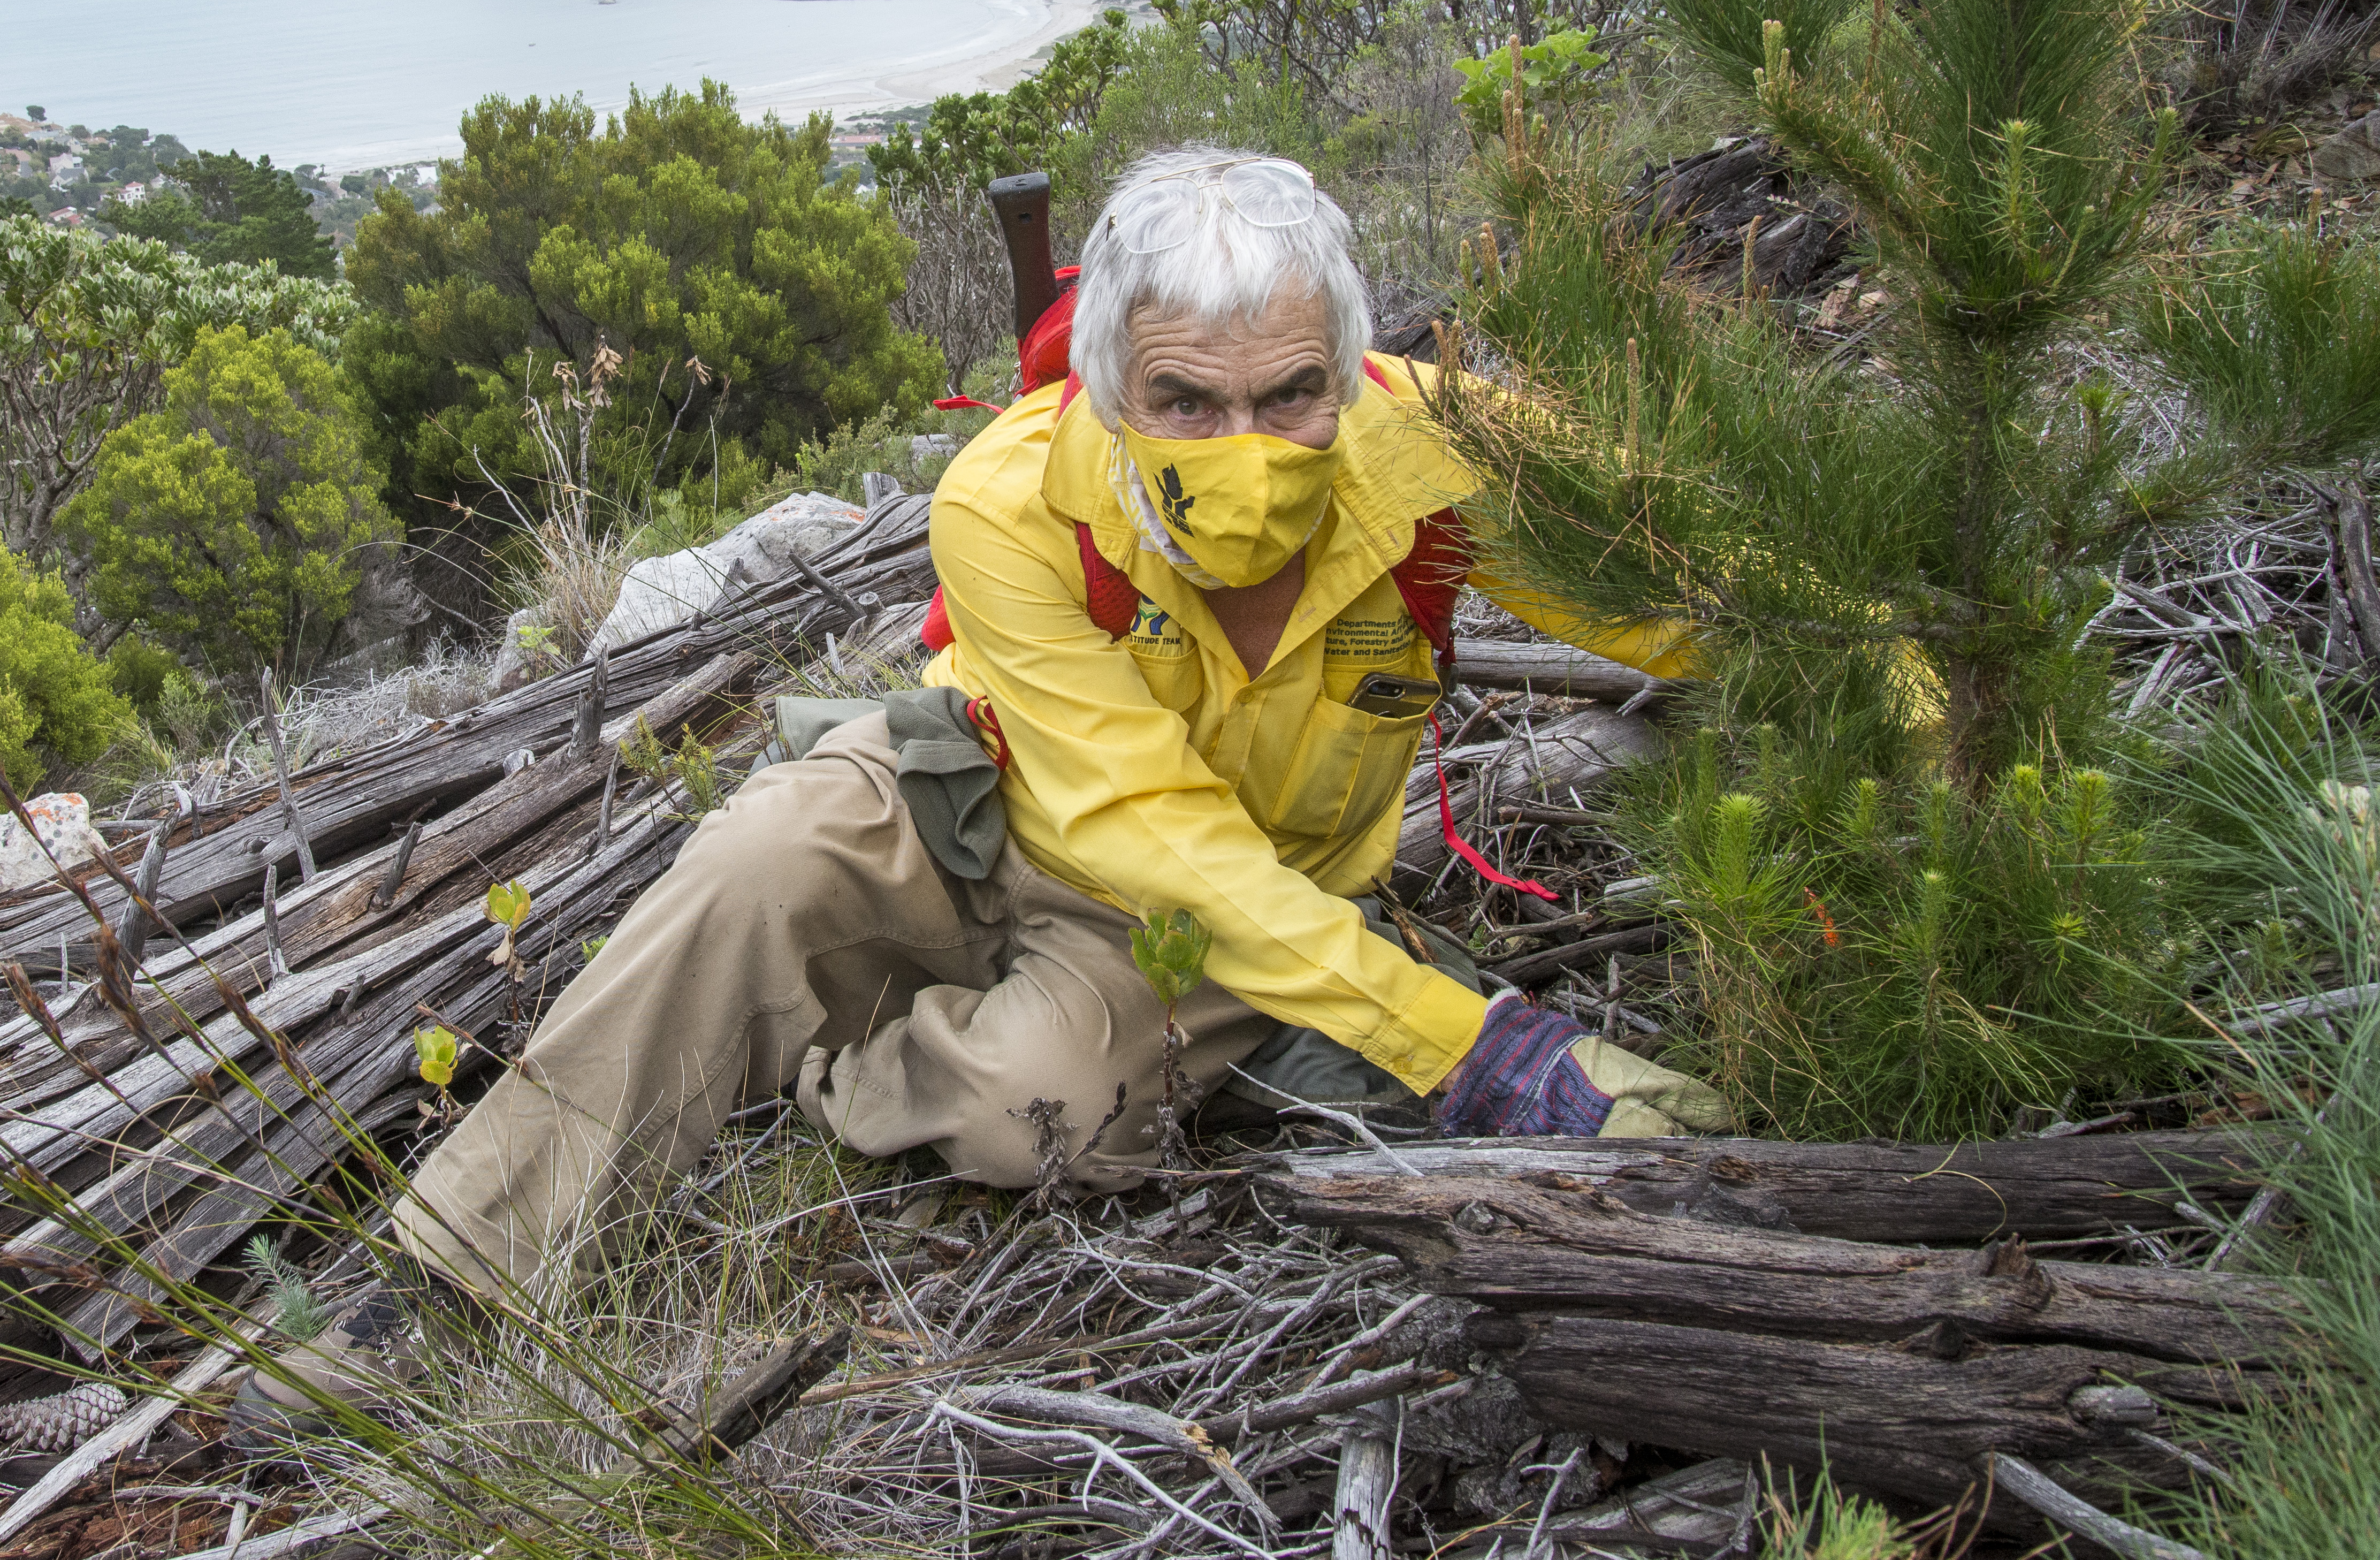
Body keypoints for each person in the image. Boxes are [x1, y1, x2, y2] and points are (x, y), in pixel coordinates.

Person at [232, 147, 1728, 1439]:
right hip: (984, 790)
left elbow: (1724, 598)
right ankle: (448, 1275)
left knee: (1041, 1115)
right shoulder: (1011, 496)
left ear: (1354, 364)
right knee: (753, 857)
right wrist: (1474, 1047)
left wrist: (1924, 709)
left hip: (1216, 913)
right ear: (1108, 385)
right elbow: (1134, 808)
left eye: (1293, 395)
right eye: (1185, 403)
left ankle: (830, 1061)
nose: (1246, 446)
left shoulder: (1447, 456)